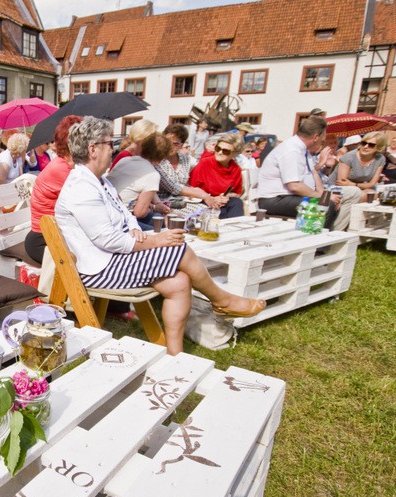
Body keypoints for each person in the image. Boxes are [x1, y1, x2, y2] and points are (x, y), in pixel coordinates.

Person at [54, 117, 265, 355]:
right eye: (108, 143)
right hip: (100, 268)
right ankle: (223, 301)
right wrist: (155, 240)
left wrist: (134, 226)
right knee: (179, 249)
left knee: (179, 282)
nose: (113, 148)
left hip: (113, 258)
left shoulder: (98, 180)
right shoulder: (82, 186)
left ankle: (175, 354)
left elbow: (125, 211)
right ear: (93, 149)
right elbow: (108, 240)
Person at [257, 116, 361, 229]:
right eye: (322, 140)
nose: (322, 143)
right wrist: (323, 198)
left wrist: (325, 196)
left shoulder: (303, 150)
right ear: (316, 137)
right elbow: (294, 186)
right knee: (325, 206)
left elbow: (314, 175)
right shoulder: (291, 150)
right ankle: (318, 244)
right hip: (274, 200)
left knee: (337, 199)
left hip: (289, 197)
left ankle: (331, 235)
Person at [24, 115, 82, 265]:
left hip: (59, 233)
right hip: (43, 239)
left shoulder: (69, 165)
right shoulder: (62, 168)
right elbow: (84, 206)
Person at [107, 133, 171, 228]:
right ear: (161, 158)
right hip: (120, 218)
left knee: (158, 219)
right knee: (159, 228)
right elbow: (139, 213)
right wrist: (154, 207)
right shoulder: (152, 174)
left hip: (108, 208)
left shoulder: (125, 160)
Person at [188, 134, 245, 218]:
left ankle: (235, 228)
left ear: (234, 154)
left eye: (225, 151)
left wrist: (225, 196)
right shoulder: (205, 163)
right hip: (204, 201)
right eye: (218, 148)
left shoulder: (236, 169)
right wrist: (209, 198)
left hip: (224, 202)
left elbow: (236, 193)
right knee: (222, 212)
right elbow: (191, 188)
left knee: (237, 203)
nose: (220, 152)